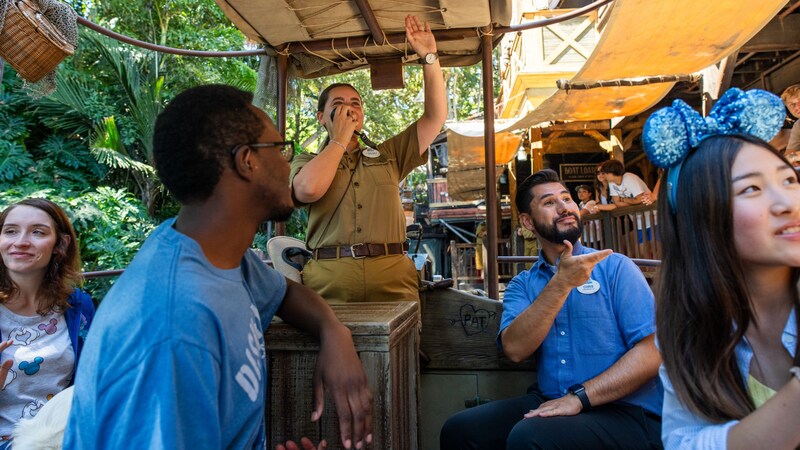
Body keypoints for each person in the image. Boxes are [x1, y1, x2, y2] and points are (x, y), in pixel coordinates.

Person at [64, 85, 373, 450]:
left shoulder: (218, 254)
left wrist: (332, 330)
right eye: (280, 148)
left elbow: (285, 292)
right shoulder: (174, 327)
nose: (288, 161)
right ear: (247, 161)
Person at [440, 169, 663, 449]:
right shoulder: (523, 284)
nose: (564, 208)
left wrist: (580, 397)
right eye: (549, 203)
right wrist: (560, 284)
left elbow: (652, 352)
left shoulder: (615, 267)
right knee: (461, 430)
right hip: (552, 400)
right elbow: (515, 349)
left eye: (567, 199)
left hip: (625, 410)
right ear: (527, 222)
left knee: (530, 437)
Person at [643, 87, 800, 449]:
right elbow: (685, 442)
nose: (787, 203)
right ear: (705, 217)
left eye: (788, 179)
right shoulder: (691, 334)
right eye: (752, 189)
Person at [290, 15, 447, 303]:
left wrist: (428, 56)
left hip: (393, 283)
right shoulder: (305, 160)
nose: (349, 110)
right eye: (338, 105)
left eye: (355, 104)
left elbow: (435, 118)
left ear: (362, 115)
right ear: (321, 117)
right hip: (328, 288)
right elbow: (308, 189)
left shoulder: (388, 155)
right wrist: (339, 139)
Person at [0, 198, 94, 449]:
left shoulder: (78, 306)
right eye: (10, 231)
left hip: (68, 437)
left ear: (60, 245)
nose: (21, 241)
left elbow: (91, 381)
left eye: (38, 232)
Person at [781, 83, 800, 155]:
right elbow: (788, 155)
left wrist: (795, 156)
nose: (798, 107)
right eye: (792, 105)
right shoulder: (798, 125)